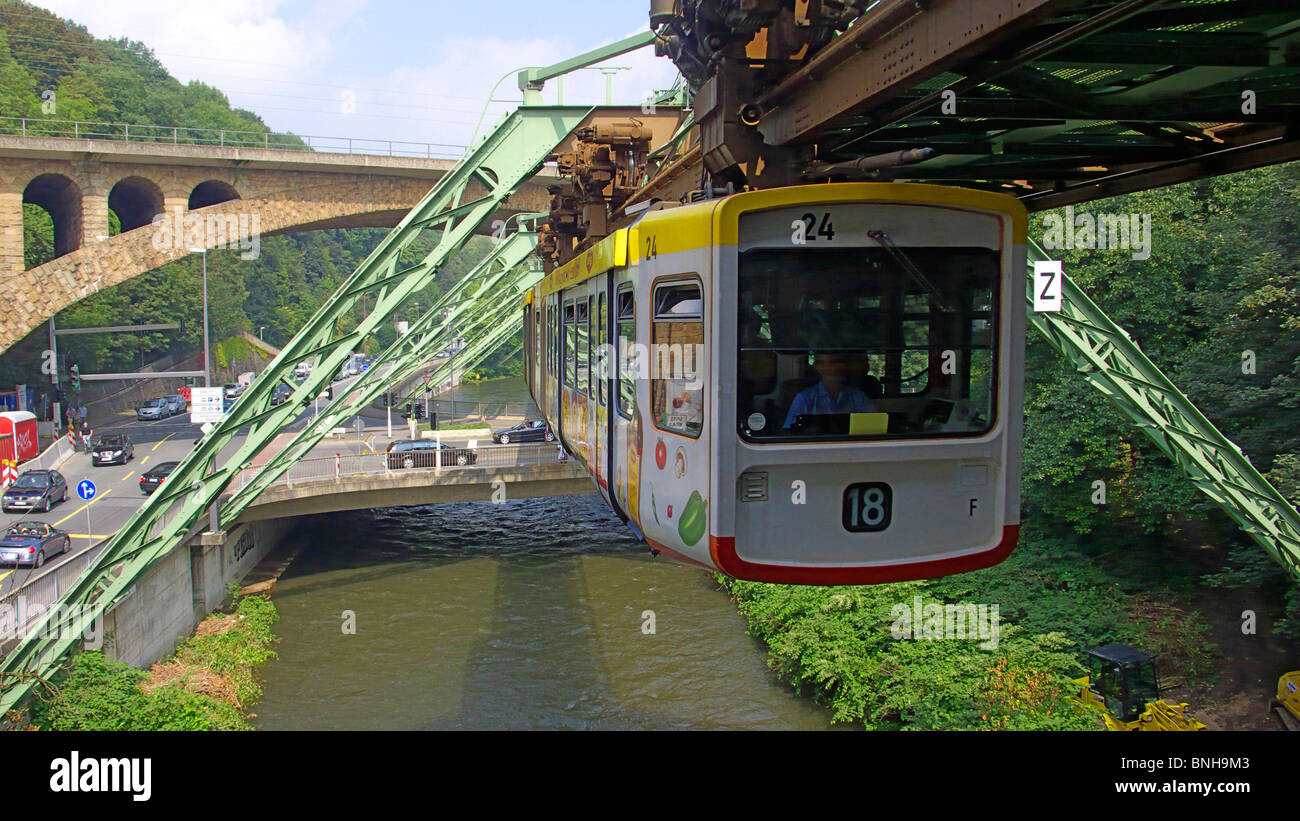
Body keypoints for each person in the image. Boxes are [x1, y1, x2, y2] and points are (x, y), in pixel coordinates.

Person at [783, 351, 874, 429]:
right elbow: (789, 433)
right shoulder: (804, 398)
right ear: (816, 367)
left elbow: (874, 426)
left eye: (837, 362)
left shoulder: (858, 397)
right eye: (823, 363)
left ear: (844, 366)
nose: (831, 368)